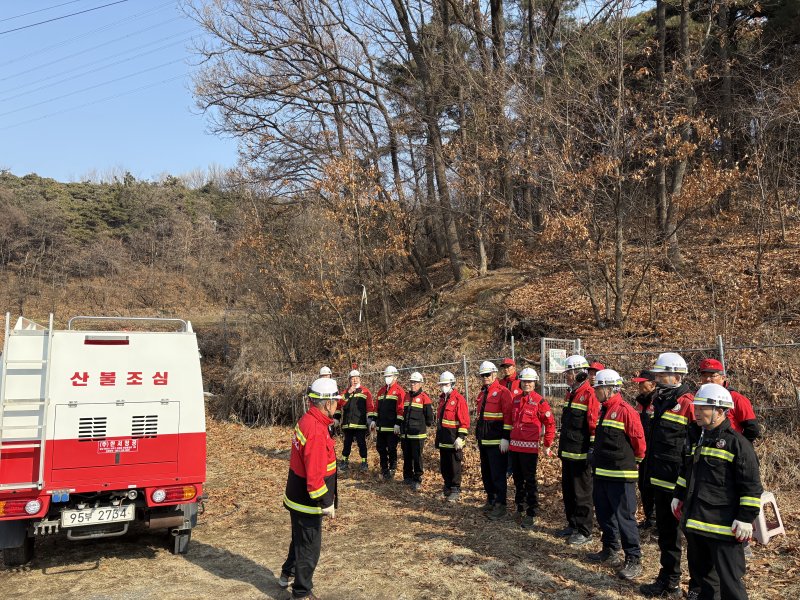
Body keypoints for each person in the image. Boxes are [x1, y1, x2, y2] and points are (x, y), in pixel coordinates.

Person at [672, 383, 763, 600]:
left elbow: (751, 486)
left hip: (723, 530)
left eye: (702, 408)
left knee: (730, 585)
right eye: (696, 407)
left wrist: (745, 518)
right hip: (696, 525)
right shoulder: (698, 440)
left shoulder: (738, 445)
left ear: (720, 411)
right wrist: (678, 494)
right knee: (704, 584)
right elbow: (688, 472)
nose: (696, 413)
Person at [640, 353, 695, 598]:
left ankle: (697, 588)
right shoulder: (657, 401)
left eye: (663, 375)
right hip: (660, 481)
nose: (659, 379)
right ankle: (668, 580)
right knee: (667, 536)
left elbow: (696, 448)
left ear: (678, 375)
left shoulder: (689, 403)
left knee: (694, 539)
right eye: (658, 375)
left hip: (684, 485)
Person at [280, 378, 339, 599]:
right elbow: (314, 478)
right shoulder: (315, 430)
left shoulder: (309, 420)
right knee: (309, 549)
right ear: (326, 403)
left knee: (299, 539)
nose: (337, 405)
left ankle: (287, 573)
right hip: (308, 501)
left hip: (297, 496)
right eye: (335, 401)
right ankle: (302, 592)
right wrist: (326, 502)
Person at [587, 369, 646, 580]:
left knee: (625, 518)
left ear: (610, 389)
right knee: (604, 514)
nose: (595, 393)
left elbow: (639, 443)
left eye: (598, 388)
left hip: (621, 475)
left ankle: (633, 558)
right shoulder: (604, 409)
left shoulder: (625, 411)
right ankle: (609, 549)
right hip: (602, 473)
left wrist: (635, 462)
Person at [557, 354, 600, 546]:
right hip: (568, 451)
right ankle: (572, 524)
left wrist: (592, 449)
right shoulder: (571, 393)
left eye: (569, 373)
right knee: (568, 490)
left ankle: (585, 530)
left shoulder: (589, 394)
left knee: (582, 492)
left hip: (581, 453)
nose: (567, 376)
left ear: (579, 373)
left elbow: (593, 424)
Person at [509, 367, 555, 528]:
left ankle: (532, 513)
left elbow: (550, 424)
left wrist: (547, 444)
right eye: (524, 381)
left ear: (535, 383)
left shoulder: (540, 402)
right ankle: (519, 508)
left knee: (530, 481)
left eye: (529, 381)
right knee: (517, 480)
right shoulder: (515, 400)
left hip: (529, 450)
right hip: (515, 447)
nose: (526, 384)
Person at [475, 360, 513, 520]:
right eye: (482, 375)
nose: (485, 377)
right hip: (484, 441)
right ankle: (491, 499)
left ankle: (500, 504)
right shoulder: (482, 393)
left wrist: (505, 437)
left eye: (487, 374)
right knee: (486, 473)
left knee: (497, 475)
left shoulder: (503, 392)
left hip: (497, 441)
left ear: (494, 374)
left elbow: (508, 415)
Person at [698, 359, 759, 443]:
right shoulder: (698, 398)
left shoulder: (737, 399)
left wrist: (738, 445)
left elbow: (752, 429)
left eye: (712, 375)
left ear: (723, 378)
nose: (708, 379)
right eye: (704, 375)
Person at [434, 371, 470, 503]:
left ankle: (455, 489)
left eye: (446, 384)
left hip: (454, 440)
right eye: (442, 384)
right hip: (443, 439)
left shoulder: (458, 399)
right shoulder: (442, 399)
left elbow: (464, 420)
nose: (443, 386)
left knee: (454, 466)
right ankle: (447, 487)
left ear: (452, 384)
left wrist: (461, 437)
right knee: (445, 466)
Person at [632, 369, 658, 531]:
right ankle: (650, 518)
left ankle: (657, 520)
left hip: (656, 451)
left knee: (654, 486)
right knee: (643, 484)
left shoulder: (658, 401)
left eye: (643, 383)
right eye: (639, 383)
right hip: (643, 450)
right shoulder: (641, 402)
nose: (640, 386)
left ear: (653, 384)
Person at [334, 369, 374, 472]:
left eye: (356, 378)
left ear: (360, 379)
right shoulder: (345, 392)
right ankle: (344, 461)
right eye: (352, 378)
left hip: (360, 424)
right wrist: (348, 393)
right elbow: (340, 404)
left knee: (361, 443)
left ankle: (364, 462)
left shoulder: (366, 391)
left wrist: (370, 420)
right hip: (347, 424)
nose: (355, 380)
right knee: (346, 443)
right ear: (349, 380)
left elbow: (370, 407)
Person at [400, 371, 434, 491]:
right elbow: (403, 414)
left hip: (418, 434)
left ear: (421, 384)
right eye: (412, 382)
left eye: (415, 382)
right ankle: (407, 477)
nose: (413, 384)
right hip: (406, 433)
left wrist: (422, 427)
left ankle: (417, 479)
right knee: (407, 456)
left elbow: (430, 418)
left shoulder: (425, 398)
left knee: (417, 457)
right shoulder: (406, 396)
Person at [374, 365, 407, 480]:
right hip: (381, 427)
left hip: (392, 427)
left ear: (395, 377)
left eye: (389, 376)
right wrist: (373, 420)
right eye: (386, 376)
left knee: (392, 448)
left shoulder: (399, 391)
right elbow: (376, 408)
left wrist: (398, 423)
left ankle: (392, 467)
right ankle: (384, 469)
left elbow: (401, 409)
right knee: (380, 448)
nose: (387, 378)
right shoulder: (381, 391)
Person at [499, 358, 523, 477]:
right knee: (505, 440)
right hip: (503, 417)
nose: (506, 369)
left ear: (514, 367)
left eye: (508, 367)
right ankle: (507, 467)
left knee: (515, 442)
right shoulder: (501, 382)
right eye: (504, 367)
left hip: (517, 417)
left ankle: (513, 467)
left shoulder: (520, 381)